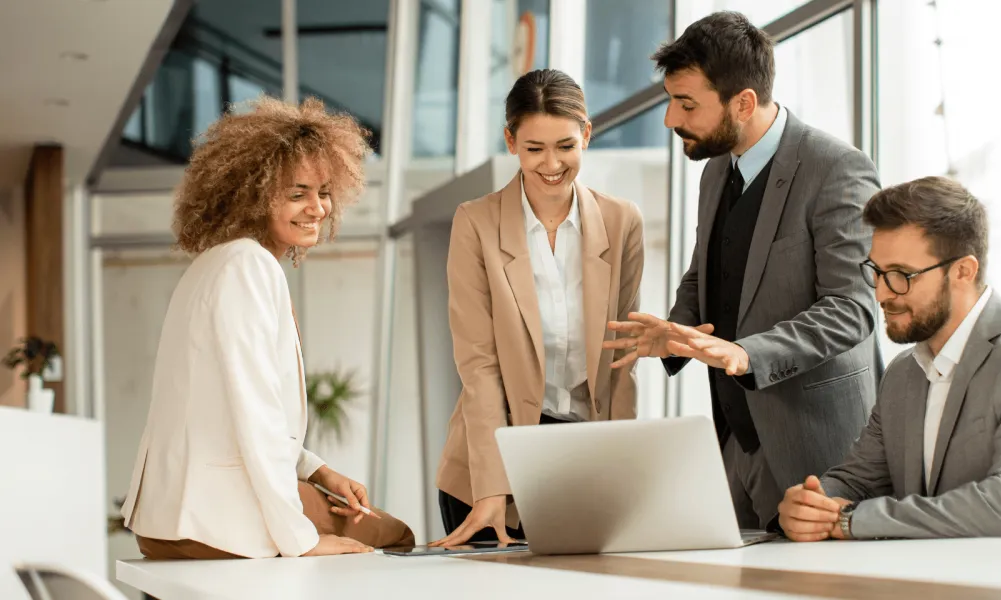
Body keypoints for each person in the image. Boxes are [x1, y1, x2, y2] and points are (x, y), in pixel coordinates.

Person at [603, 11, 881, 530]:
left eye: (687, 104)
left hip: (818, 447)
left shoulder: (837, 169)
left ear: (744, 103)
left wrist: (747, 353)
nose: (670, 119)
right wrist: (675, 331)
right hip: (735, 439)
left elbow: (852, 309)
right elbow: (705, 272)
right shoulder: (715, 171)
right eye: (670, 100)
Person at [120, 97, 414, 559]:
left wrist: (317, 472)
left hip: (167, 519)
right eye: (298, 194)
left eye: (323, 192)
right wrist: (301, 540)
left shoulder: (215, 263)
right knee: (396, 535)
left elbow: (228, 408)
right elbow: (254, 411)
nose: (317, 208)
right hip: (214, 521)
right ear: (252, 196)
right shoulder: (248, 266)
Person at [776, 176, 1001, 542]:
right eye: (877, 272)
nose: (882, 293)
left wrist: (851, 520)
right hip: (939, 572)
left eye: (901, 275)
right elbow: (857, 480)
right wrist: (811, 504)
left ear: (963, 271)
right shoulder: (903, 373)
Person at [431, 69, 644, 546]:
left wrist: (624, 474)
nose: (552, 164)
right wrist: (492, 486)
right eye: (534, 149)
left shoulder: (621, 221)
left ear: (586, 134)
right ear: (510, 141)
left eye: (565, 146)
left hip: (584, 459)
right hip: (493, 466)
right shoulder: (476, 224)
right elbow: (479, 366)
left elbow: (622, 360)